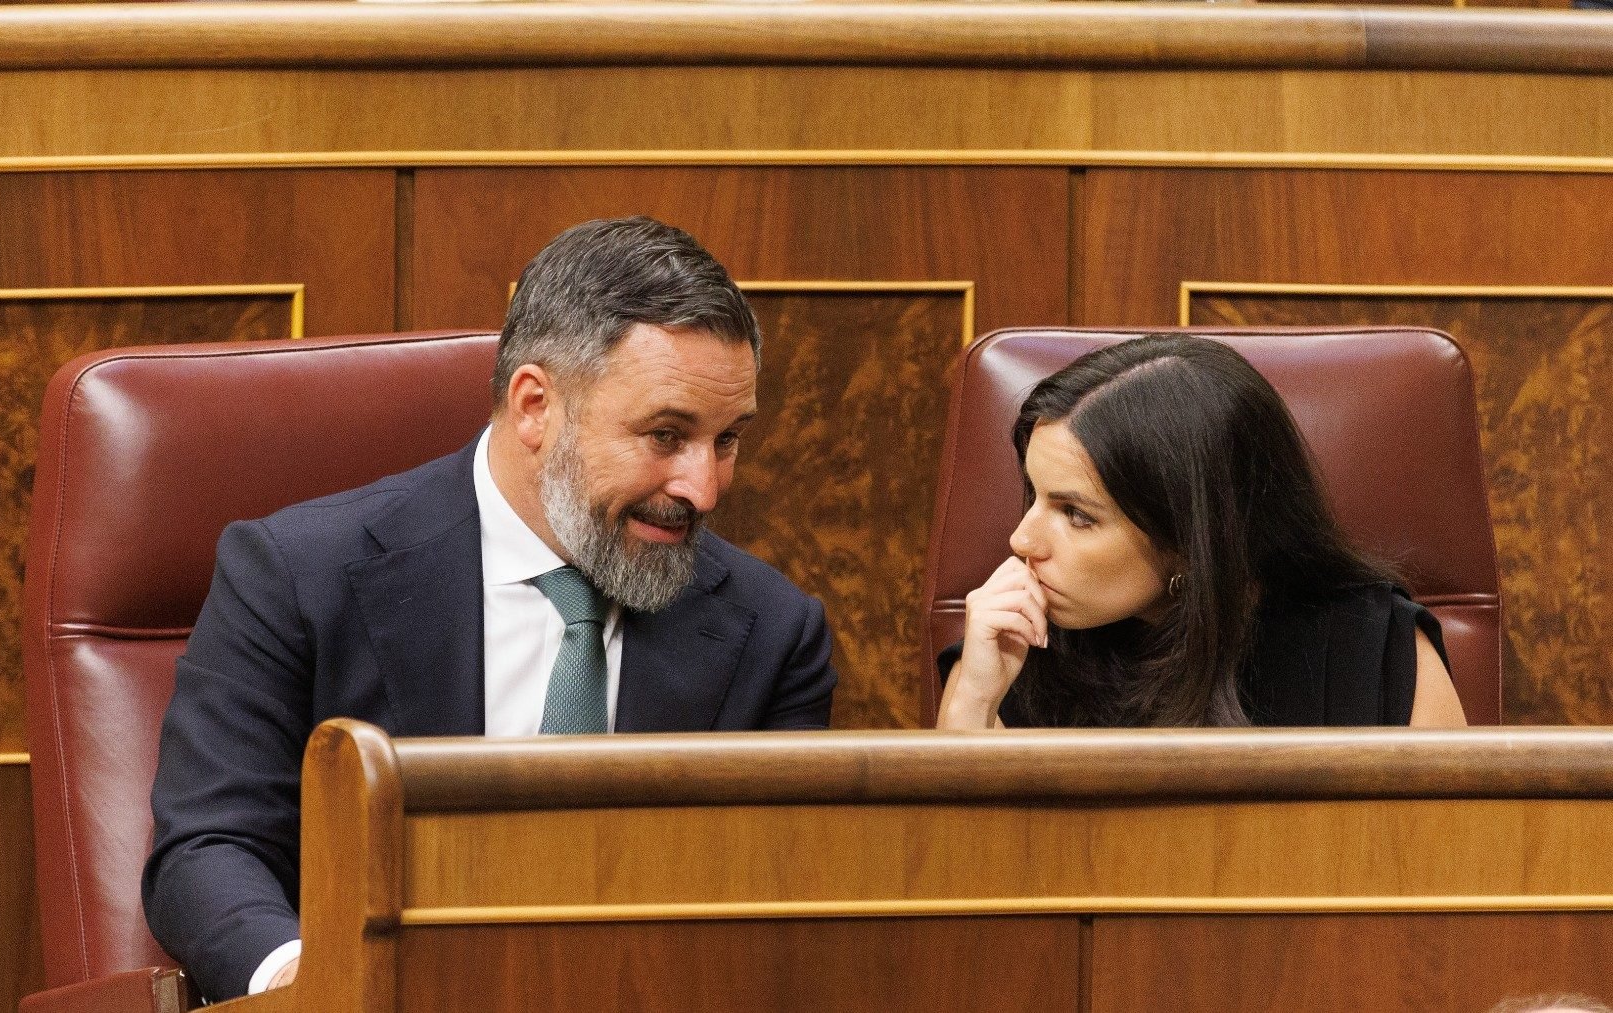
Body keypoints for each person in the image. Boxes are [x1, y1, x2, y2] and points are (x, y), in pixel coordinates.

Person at [143, 216, 838, 1002]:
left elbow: (778, 920)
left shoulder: (773, 633)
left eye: (727, 440)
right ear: (536, 405)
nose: (702, 488)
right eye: (666, 434)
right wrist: (317, 988)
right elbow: (207, 848)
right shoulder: (298, 577)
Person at [936, 334, 1468, 730]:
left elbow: (1452, 865)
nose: (1022, 542)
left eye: (1077, 514)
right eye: (1035, 494)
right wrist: (972, 707)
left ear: (1193, 541)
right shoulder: (1011, 645)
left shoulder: (1373, 651)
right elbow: (948, 870)